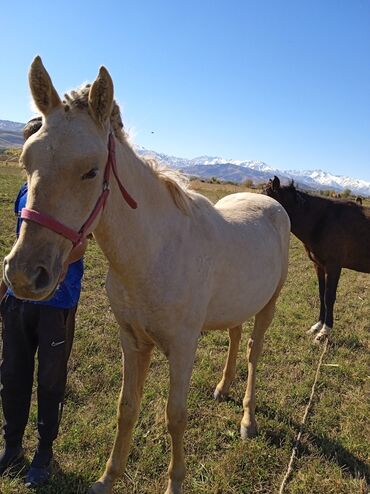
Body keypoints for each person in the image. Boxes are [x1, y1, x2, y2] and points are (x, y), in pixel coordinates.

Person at [0, 117, 87, 487]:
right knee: (12, 374)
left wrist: (49, 268)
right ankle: (13, 445)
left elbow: (81, 243)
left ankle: (44, 453)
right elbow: (21, 241)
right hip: (18, 299)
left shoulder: (70, 193)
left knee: (51, 381)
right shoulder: (25, 191)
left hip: (57, 299)